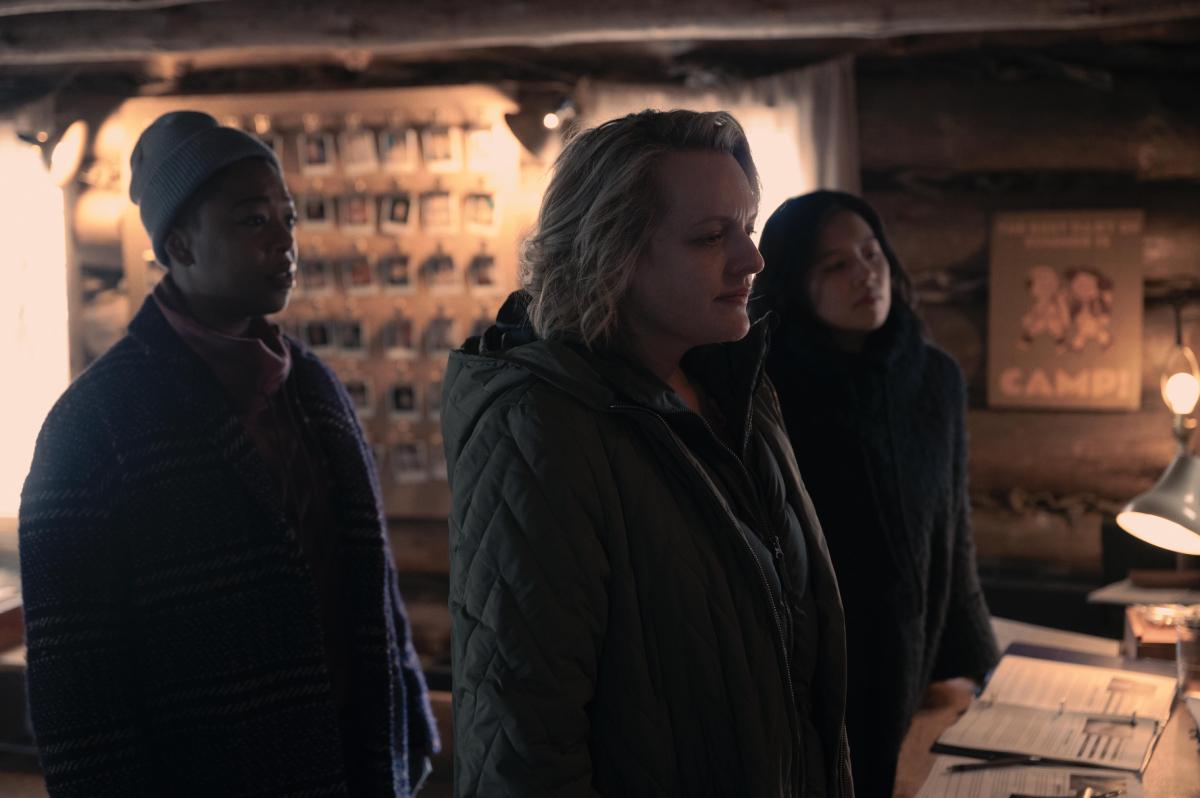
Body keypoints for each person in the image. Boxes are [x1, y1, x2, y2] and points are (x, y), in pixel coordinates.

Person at [20, 111, 438, 798]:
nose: (284, 240)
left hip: (352, 761)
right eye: (251, 221)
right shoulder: (95, 424)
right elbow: (76, 684)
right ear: (178, 244)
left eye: (288, 217)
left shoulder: (313, 385)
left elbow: (369, 584)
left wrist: (408, 723)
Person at [441, 110, 854, 798]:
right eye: (709, 237)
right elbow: (524, 740)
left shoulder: (737, 389)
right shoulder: (540, 426)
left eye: (747, 229)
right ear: (613, 253)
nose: (752, 260)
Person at [751, 190, 999, 797]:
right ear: (793, 286)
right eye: (835, 265)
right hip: (807, 673)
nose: (865, 273)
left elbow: (952, 527)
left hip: (912, 654)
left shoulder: (935, 377)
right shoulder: (766, 385)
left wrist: (975, 660)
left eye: (871, 252)